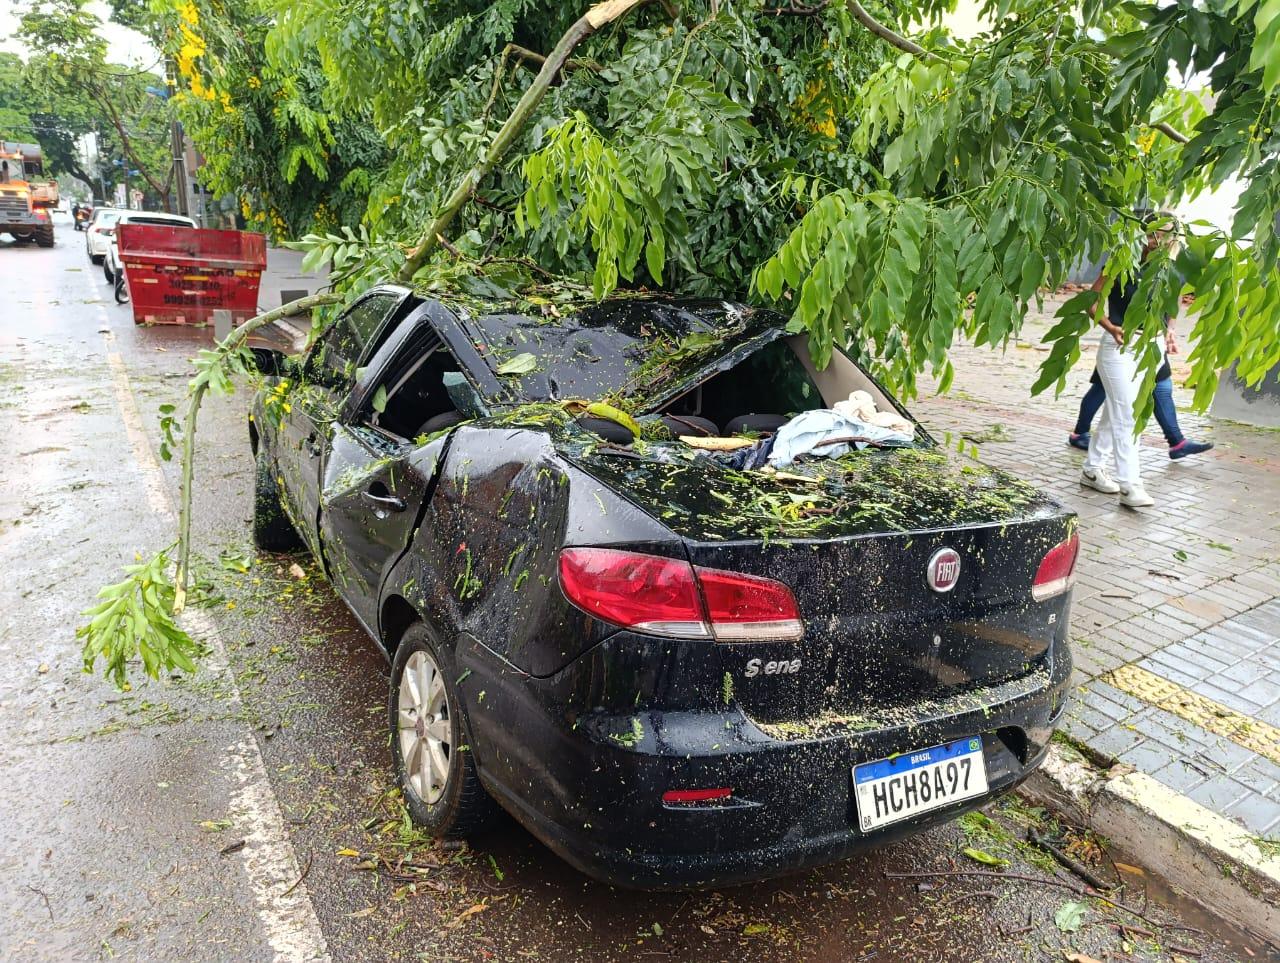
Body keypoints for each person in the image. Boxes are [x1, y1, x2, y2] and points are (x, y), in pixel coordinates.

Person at [1079, 220, 1180, 508]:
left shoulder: (1169, 272)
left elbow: (1172, 307)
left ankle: (1092, 469)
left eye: (1164, 236)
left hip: (1151, 348)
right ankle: (1130, 484)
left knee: (1116, 412)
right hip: (1118, 346)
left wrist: (1169, 332)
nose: (1156, 240)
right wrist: (1111, 328)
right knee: (1128, 415)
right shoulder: (1122, 262)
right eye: (1153, 233)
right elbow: (1091, 301)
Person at [1068, 329, 1213, 459]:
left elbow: (1172, 304)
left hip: (1153, 341)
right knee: (1101, 389)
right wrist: (1111, 328)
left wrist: (1170, 328)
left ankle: (1177, 442)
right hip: (1123, 342)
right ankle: (1080, 433)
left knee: (1162, 387)